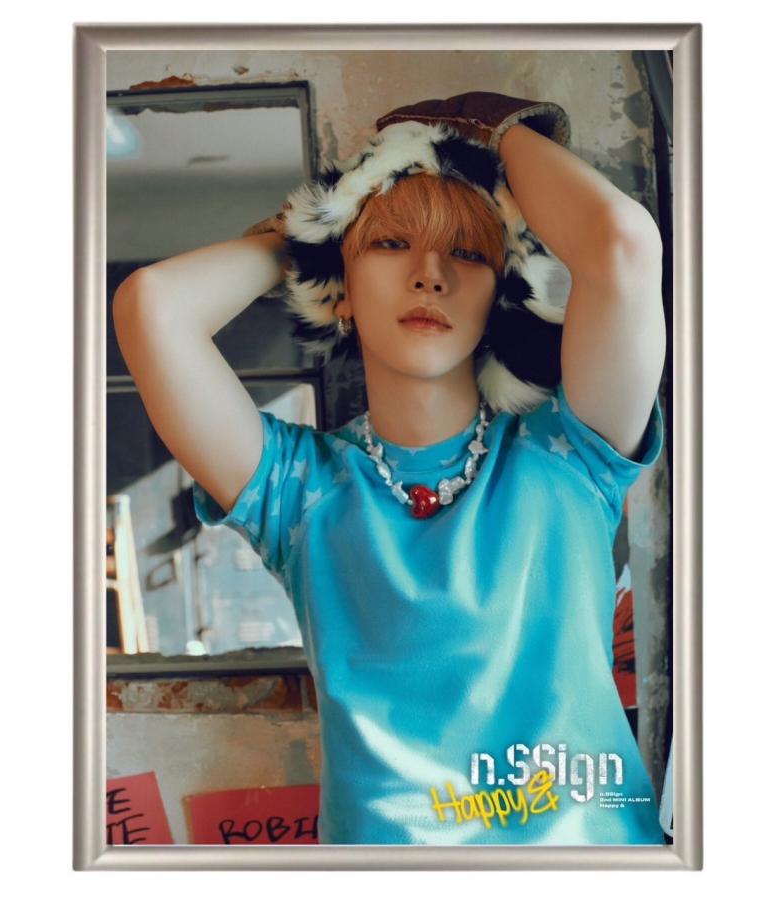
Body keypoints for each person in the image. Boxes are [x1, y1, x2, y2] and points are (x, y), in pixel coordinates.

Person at [113, 92, 667, 845]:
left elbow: (622, 245)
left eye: (467, 253)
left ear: (498, 293)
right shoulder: (299, 491)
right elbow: (152, 307)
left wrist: (486, 134)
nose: (429, 274)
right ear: (340, 288)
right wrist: (313, 233)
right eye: (391, 243)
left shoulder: (570, 459)